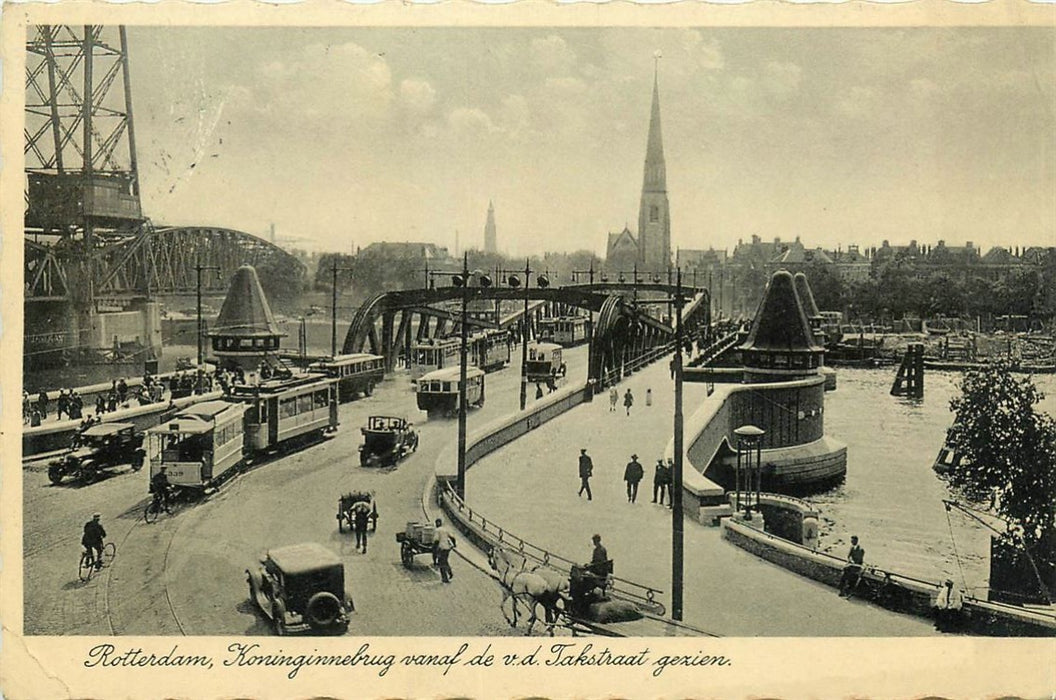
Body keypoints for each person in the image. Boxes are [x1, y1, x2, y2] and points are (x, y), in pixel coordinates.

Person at [434, 518, 456, 583]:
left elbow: (436, 540)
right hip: (447, 548)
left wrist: (435, 549)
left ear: (436, 524)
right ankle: (450, 572)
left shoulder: (437, 530)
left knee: (441, 563)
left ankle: (445, 578)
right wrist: (454, 545)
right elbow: (452, 537)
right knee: (445, 561)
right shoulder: (445, 529)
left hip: (441, 548)